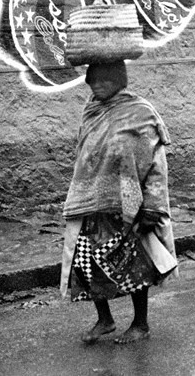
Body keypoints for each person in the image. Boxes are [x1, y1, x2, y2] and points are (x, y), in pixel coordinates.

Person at [60, 60, 176, 345]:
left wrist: (152, 204)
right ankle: (105, 319)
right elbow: (84, 154)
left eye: (103, 80)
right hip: (91, 204)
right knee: (87, 263)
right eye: (92, 80)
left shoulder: (140, 113)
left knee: (134, 266)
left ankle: (141, 323)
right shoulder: (91, 112)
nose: (96, 85)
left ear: (119, 80)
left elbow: (156, 163)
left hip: (128, 207)